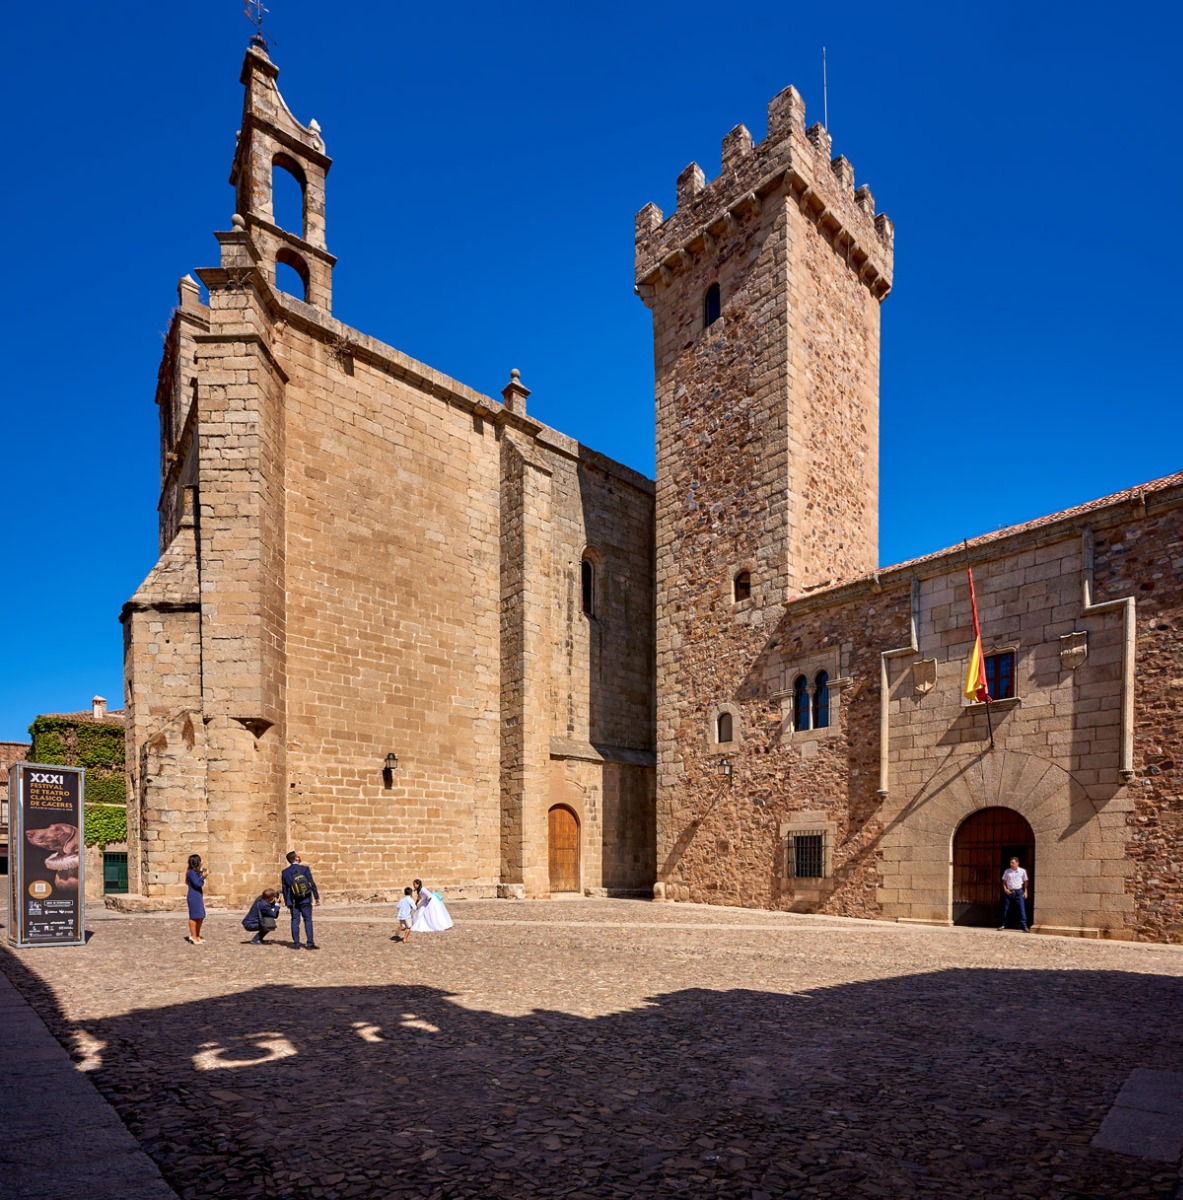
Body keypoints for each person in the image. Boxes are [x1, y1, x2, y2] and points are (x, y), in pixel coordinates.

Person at [281, 850, 320, 949]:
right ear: (296, 858)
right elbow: (311, 884)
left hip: (293, 901)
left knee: (295, 921)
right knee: (308, 920)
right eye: (298, 856)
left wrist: (287, 902)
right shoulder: (305, 869)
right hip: (305, 898)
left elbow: (285, 888)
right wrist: (316, 897)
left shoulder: (285, 872)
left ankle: (296, 944)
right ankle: (310, 943)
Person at [998, 856, 1030, 931]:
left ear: (1017, 863)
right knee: (1005, 908)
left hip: (1019, 891)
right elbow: (1004, 882)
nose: (1011, 864)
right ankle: (1002, 924)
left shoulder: (1022, 871)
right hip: (1009, 892)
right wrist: (1005, 889)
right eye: (1010, 863)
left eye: (1013, 863)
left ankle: (1024, 926)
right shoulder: (1007, 871)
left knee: (1021, 909)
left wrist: (1026, 891)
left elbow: (1026, 881)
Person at [186, 854, 208, 944]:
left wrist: (201, 874)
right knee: (194, 916)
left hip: (198, 895)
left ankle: (197, 935)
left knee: (200, 915)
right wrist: (203, 877)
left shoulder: (194, 872)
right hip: (193, 896)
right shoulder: (191, 872)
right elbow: (198, 884)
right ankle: (193, 936)